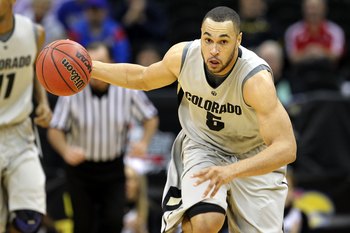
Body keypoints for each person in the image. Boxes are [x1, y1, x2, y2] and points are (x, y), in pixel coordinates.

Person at [91, 6, 297, 232]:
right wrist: (91, 67)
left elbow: (286, 148)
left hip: (252, 155)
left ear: (238, 40)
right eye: (208, 40)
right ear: (200, 34)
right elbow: (142, 77)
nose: (214, 50)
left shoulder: (255, 80)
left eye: (223, 42)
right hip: (204, 146)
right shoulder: (183, 56)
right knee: (206, 222)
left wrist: (232, 170)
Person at [47, 41, 159, 233]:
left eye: (100, 63)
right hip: (80, 171)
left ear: (111, 64)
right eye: (90, 64)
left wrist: (144, 142)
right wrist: (66, 150)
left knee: (114, 222)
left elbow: (150, 117)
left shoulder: (126, 89)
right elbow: (55, 129)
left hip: (113, 168)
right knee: (83, 225)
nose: (94, 70)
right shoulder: (71, 90)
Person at [0, 0, 52, 232]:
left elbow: (35, 69)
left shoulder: (34, 32)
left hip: (20, 132)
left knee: (28, 220)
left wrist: (43, 103)